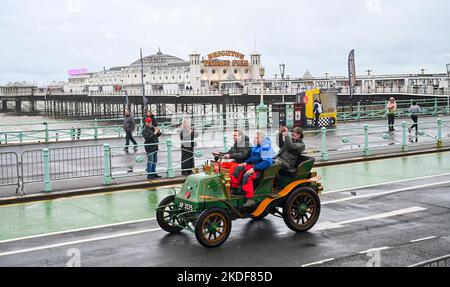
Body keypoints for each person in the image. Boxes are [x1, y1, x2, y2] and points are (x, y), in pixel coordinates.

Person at [230, 131, 274, 208]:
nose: (255, 139)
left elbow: (267, 162)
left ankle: (250, 199)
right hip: (253, 166)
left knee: (247, 176)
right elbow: (252, 157)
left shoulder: (266, 148)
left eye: (256, 138)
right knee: (236, 167)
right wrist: (246, 162)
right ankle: (236, 188)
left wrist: (254, 169)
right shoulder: (257, 147)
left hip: (260, 170)